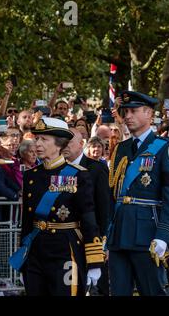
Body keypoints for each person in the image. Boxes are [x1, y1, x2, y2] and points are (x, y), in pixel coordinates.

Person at [9, 117, 104, 296]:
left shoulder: (79, 175)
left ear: (59, 144)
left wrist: (94, 262)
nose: (37, 144)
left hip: (66, 250)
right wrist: (24, 259)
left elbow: (89, 220)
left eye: (44, 139)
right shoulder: (31, 176)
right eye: (37, 139)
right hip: (36, 251)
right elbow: (28, 222)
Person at [107, 90, 169, 296]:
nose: (127, 116)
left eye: (133, 111)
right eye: (125, 111)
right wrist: (107, 232)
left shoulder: (166, 148)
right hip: (119, 232)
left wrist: (164, 236)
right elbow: (112, 194)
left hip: (148, 233)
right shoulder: (121, 149)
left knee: (153, 291)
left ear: (149, 114)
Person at [63, 127, 111, 296]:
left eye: (69, 142)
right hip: (66, 240)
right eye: (63, 141)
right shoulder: (57, 168)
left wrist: (103, 241)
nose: (65, 146)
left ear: (81, 144)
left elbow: (104, 208)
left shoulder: (96, 168)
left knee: (96, 287)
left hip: (91, 239)